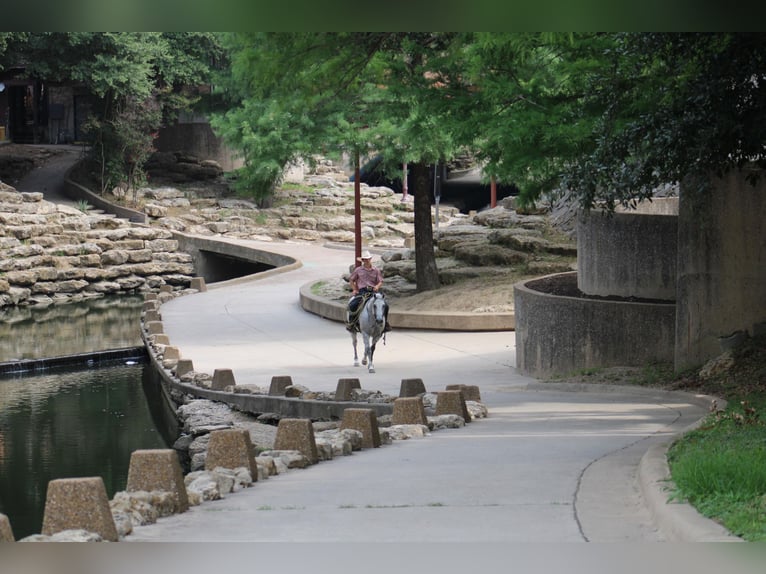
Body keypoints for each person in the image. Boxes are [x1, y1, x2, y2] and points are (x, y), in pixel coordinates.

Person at [347, 250, 391, 332]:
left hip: (373, 291)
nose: (366, 261)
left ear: (370, 259)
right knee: (353, 304)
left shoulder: (376, 270)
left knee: (385, 305)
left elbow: (380, 281)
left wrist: (377, 286)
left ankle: (385, 324)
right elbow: (351, 280)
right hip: (362, 291)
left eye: (368, 259)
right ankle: (351, 324)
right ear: (362, 260)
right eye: (364, 259)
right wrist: (354, 289)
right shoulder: (358, 270)